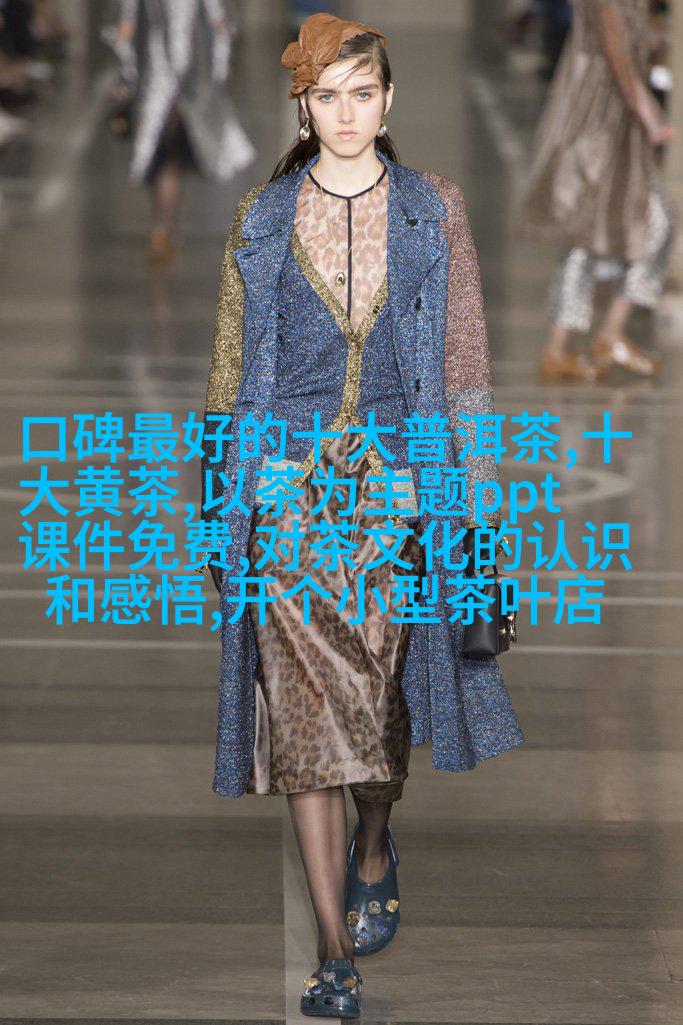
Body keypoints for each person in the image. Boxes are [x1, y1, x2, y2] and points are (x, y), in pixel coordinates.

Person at [198, 12, 525, 1018]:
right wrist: (221, 509)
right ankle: (332, 950)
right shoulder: (261, 215)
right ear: (302, 106)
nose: (344, 113)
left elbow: (463, 368)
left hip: (396, 499)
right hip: (287, 498)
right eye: (325, 96)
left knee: (379, 724)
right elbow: (226, 377)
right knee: (305, 728)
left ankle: (375, 837)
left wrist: (472, 512)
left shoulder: (434, 210)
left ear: (388, 101)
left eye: (361, 93)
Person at [516, 0, 677, 382]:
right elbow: (615, 53)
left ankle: (586, 340)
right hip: (598, 124)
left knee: (599, 234)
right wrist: (649, 113)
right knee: (611, 230)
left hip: (608, 120)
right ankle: (580, 342)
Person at [113, 0, 255, 264]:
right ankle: (165, 226)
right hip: (190, 81)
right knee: (172, 156)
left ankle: (162, 226)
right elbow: (220, 26)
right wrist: (219, 75)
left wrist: (127, 77)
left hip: (155, 82)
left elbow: (125, 29)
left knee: (162, 154)